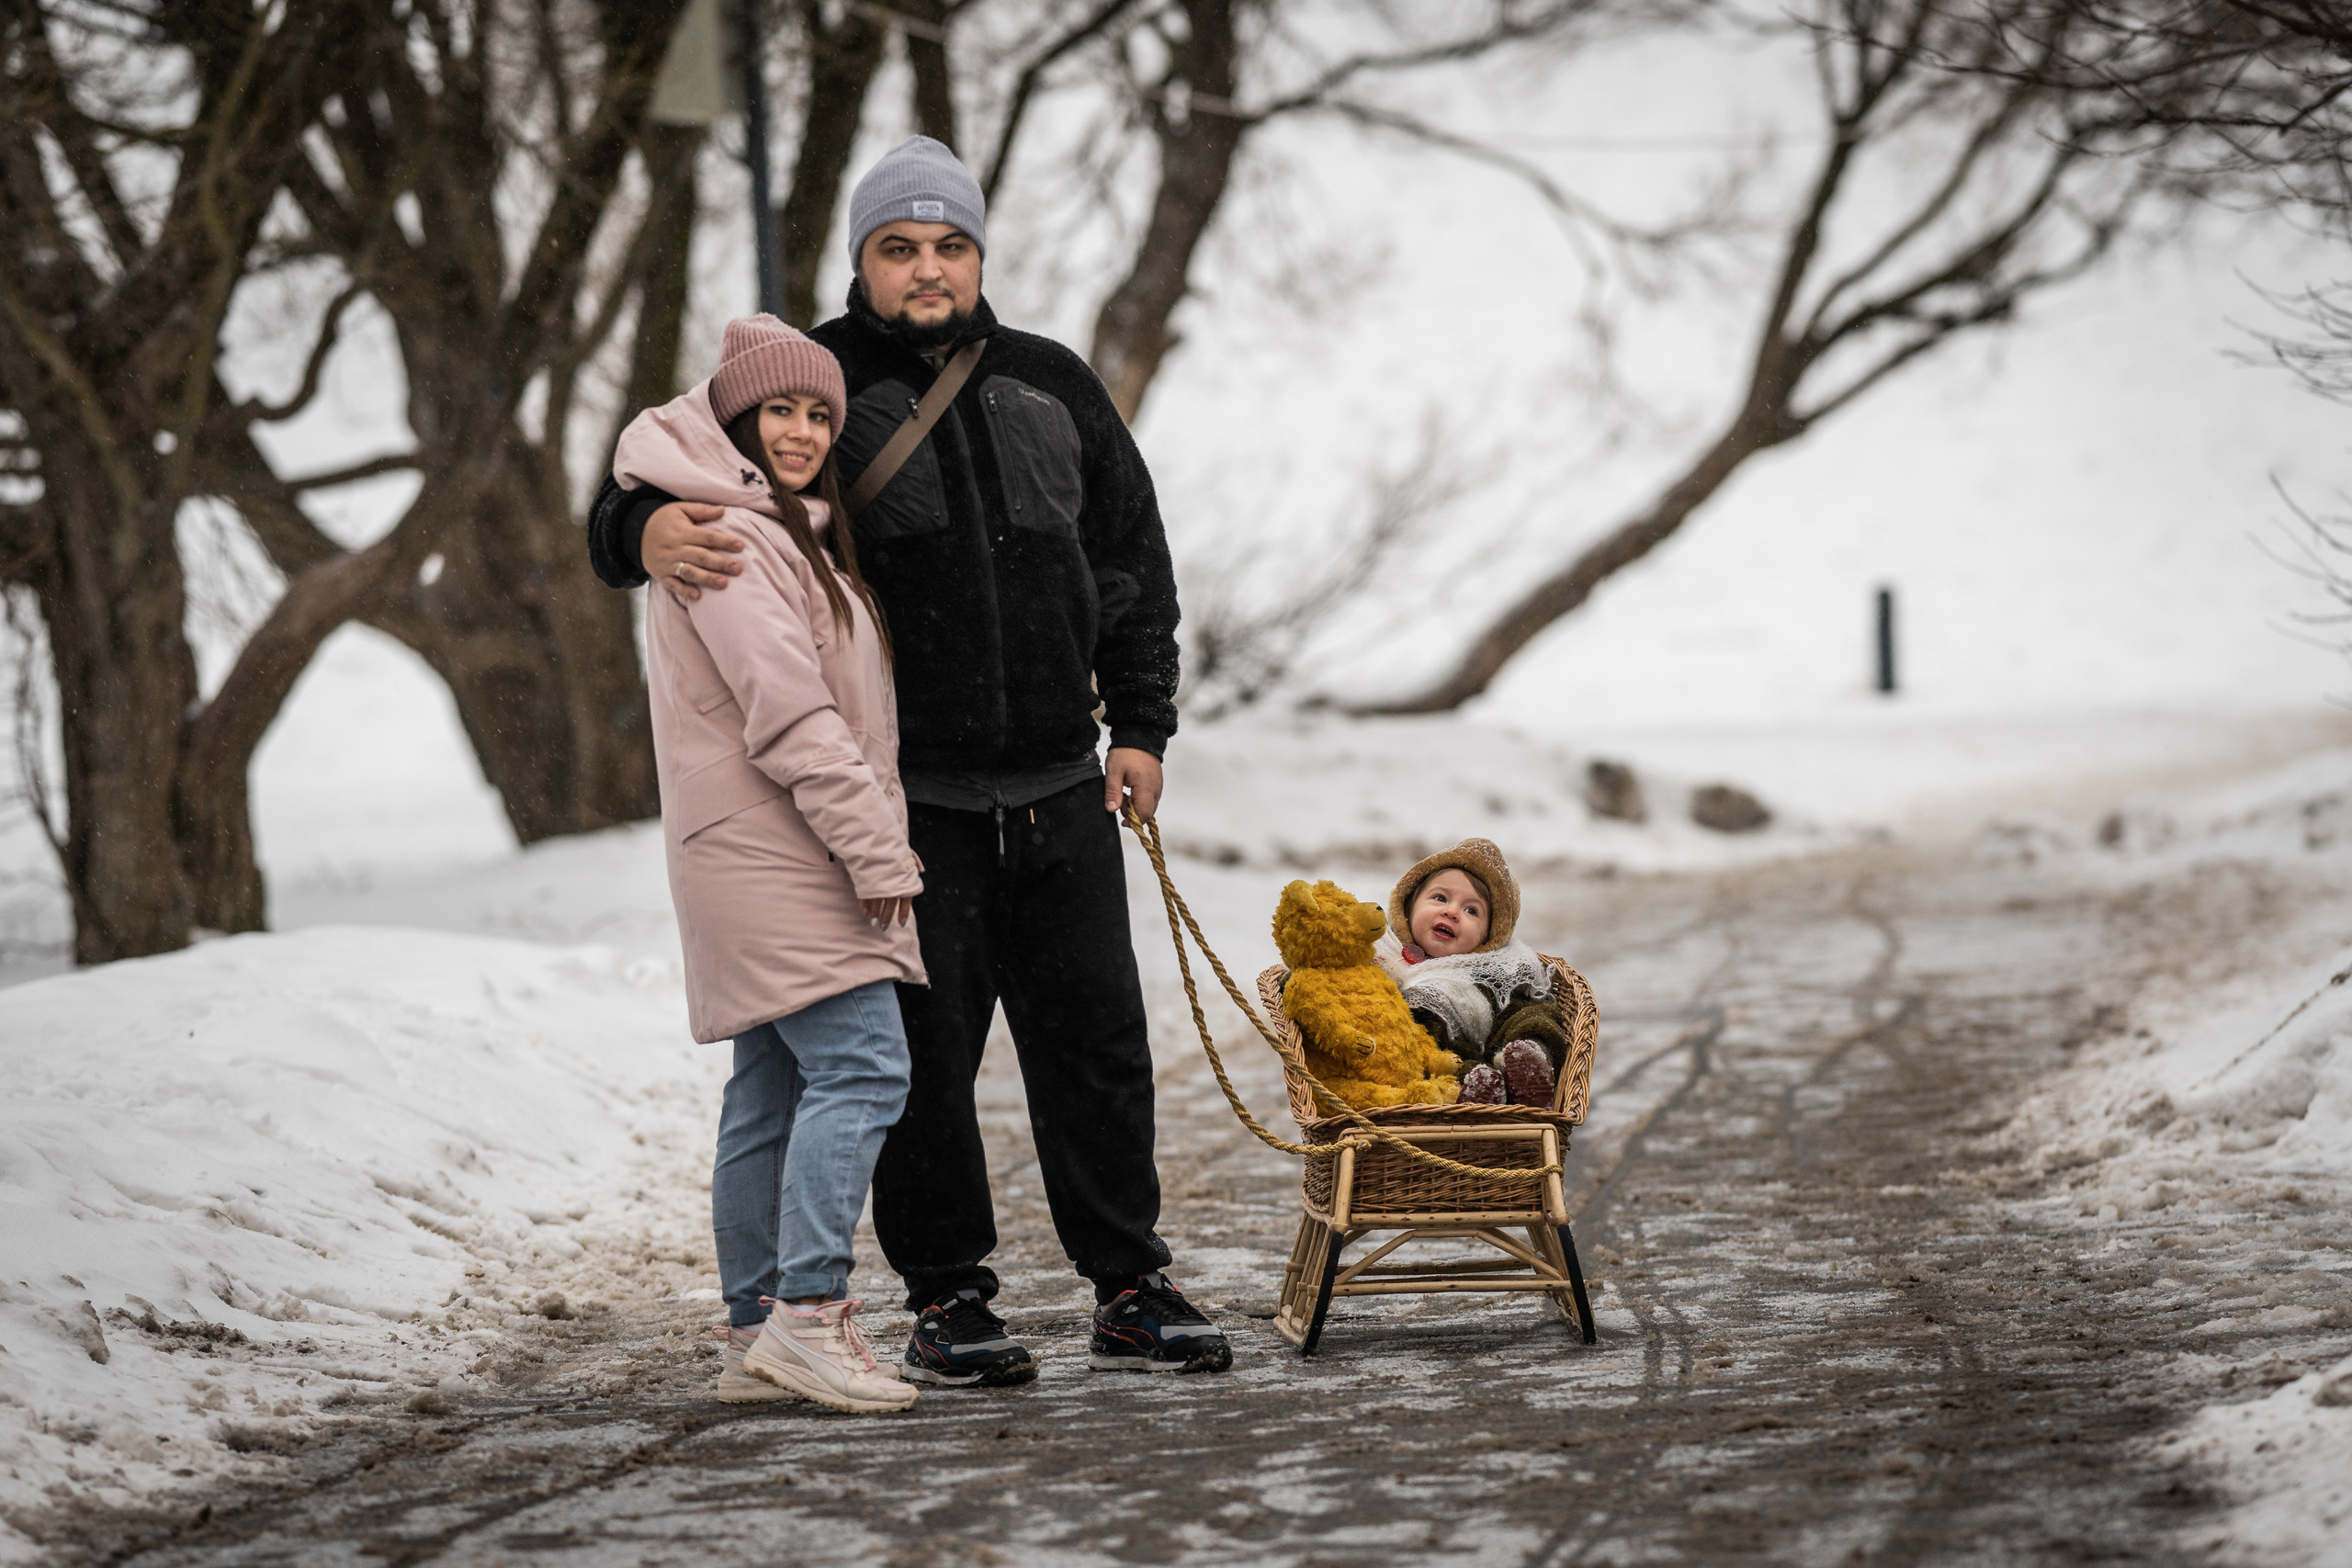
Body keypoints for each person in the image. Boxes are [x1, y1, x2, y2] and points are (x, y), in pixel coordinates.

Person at [587, 136, 1230, 1382]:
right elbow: (693, 471)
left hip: (1060, 777)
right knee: (922, 1065)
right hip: (910, 796)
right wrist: (637, 525)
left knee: (1096, 1042)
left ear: (979, 255)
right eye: (900, 247)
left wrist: (1141, 723)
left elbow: (1133, 563)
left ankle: (1131, 1282)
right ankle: (947, 1299)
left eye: (949, 245)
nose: (927, 269)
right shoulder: (820, 386)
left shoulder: (1053, 380)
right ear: (863, 262)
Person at [614, 315, 923, 1415]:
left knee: (774, 1088)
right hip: (779, 846)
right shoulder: (736, 540)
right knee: (865, 1068)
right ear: (734, 419)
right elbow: (789, 718)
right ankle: (806, 1316)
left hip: (748, 846)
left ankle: (752, 1330)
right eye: (776, 411)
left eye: (814, 413)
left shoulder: (775, 532)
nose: (797, 431)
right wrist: (875, 847)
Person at [1374, 840, 1568, 1108]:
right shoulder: (1378, 945)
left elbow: (1524, 1010)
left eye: (1471, 911)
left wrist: (1527, 1040)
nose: (1451, 912)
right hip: (1395, 1065)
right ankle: (1479, 1088)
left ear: (1487, 937)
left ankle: (1527, 1067)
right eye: (1440, 898)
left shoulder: (1489, 971)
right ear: (1407, 907)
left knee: (1529, 1011)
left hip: (1472, 1059)